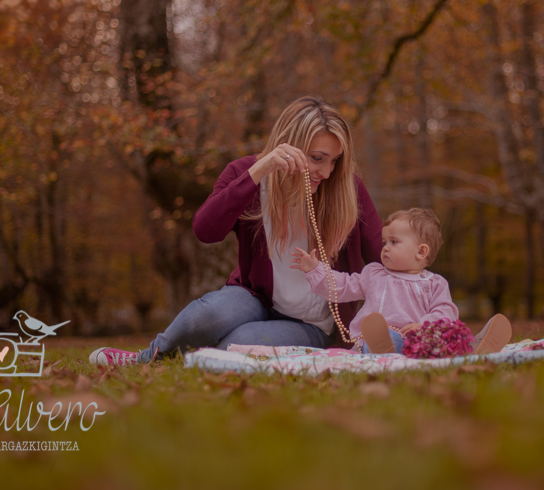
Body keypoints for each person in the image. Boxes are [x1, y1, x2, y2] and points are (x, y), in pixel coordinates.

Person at [89, 96, 383, 366]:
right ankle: (146, 358)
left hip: (311, 324)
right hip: (253, 297)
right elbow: (205, 230)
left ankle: (198, 358)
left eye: (334, 160)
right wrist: (258, 171)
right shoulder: (247, 174)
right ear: (288, 145)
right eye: (317, 158)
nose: (327, 172)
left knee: (237, 343)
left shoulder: (346, 189)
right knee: (208, 316)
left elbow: (381, 256)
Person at [291, 207, 512, 355]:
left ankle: (472, 347)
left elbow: (445, 311)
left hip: (419, 341)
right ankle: (382, 348)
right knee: (377, 339)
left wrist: (425, 326)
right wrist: (316, 270)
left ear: (421, 251)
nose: (385, 247)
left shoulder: (434, 283)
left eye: (394, 242)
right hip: (375, 338)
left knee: (439, 342)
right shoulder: (374, 274)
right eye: (384, 241)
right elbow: (343, 286)